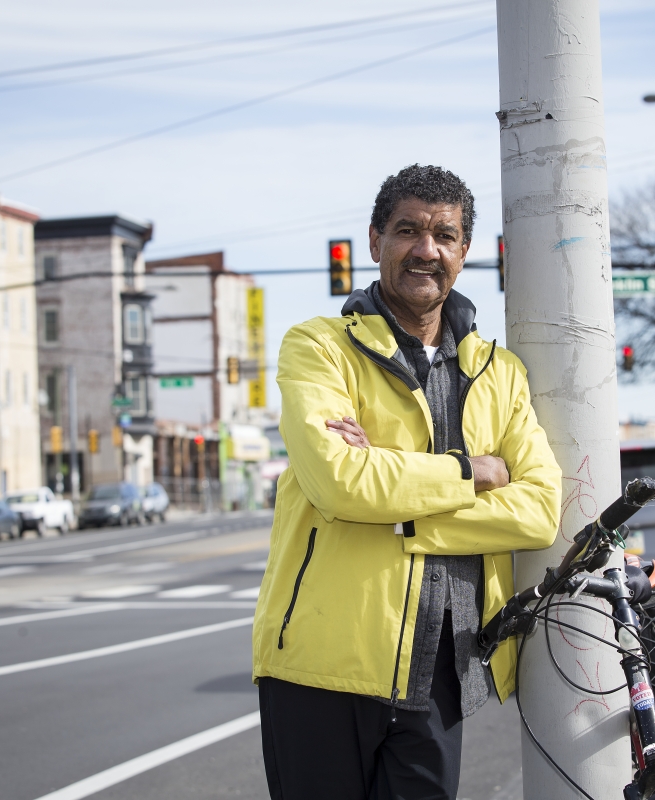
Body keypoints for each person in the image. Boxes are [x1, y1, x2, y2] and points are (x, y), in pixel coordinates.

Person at [252, 165, 562, 800]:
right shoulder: (319, 348)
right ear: (375, 242)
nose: (427, 249)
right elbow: (340, 483)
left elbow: (538, 511)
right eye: (408, 231)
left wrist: (401, 513)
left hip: (441, 672)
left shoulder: (499, 373)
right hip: (320, 666)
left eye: (444, 235)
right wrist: (471, 473)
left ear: (464, 252)